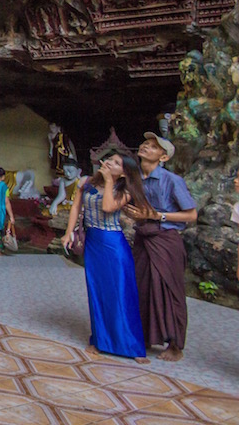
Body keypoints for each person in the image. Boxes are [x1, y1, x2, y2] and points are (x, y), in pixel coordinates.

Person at [60, 153, 150, 363]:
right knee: (97, 291)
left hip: (113, 245)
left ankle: (132, 346)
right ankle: (99, 340)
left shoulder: (125, 190)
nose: (110, 163)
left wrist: (110, 181)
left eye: (117, 163)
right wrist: (68, 232)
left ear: (124, 173)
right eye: (110, 159)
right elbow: (75, 207)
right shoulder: (86, 182)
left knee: (121, 293)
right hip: (93, 243)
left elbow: (108, 207)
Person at [124, 132, 197, 362]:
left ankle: (175, 344)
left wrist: (158, 215)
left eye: (153, 147)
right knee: (142, 287)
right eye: (144, 143)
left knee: (169, 289)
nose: (145, 146)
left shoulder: (172, 180)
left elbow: (192, 214)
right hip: (144, 238)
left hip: (166, 240)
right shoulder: (135, 179)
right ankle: (144, 336)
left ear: (163, 157)